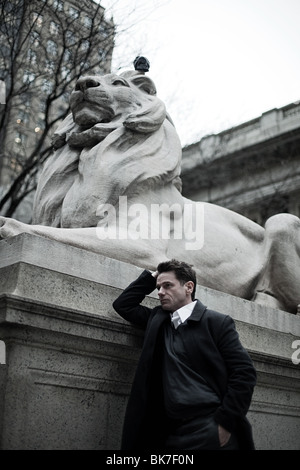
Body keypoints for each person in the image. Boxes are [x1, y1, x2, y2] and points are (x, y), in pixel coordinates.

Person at [113, 259, 256, 451]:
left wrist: (225, 422)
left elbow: (244, 372)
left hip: (208, 427)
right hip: (167, 432)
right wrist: (153, 276)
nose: (160, 292)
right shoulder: (157, 320)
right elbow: (123, 305)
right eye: (158, 288)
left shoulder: (217, 322)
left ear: (189, 287)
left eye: (168, 285)